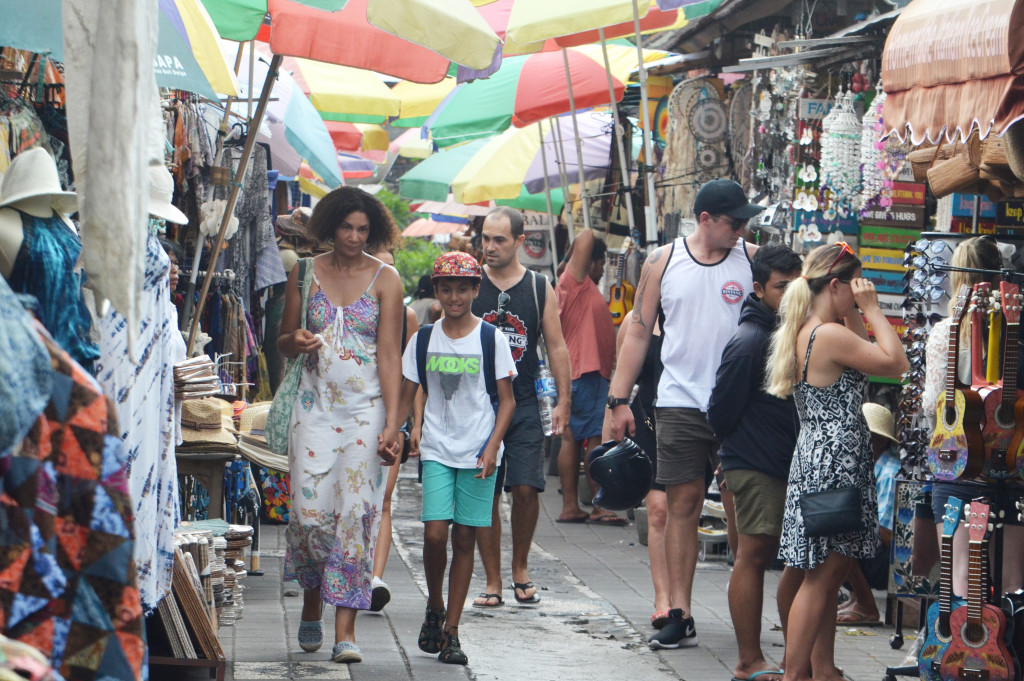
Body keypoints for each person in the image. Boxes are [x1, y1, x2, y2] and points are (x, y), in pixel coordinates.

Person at [606, 178, 762, 649]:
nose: (741, 229)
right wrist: (618, 400)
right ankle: (679, 611)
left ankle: (746, 609)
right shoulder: (663, 260)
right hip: (678, 401)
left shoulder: (753, 259)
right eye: (734, 222)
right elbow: (638, 330)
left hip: (741, 404)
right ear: (706, 219)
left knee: (740, 507)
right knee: (683, 505)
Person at [764, 242, 908, 681]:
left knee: (829, 572)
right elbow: (896, 362)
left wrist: (856, 311)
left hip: (821, 458)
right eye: (856, 283)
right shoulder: (826, 334)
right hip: (836, 464)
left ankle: (822, 669)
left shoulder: (814, 328)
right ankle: (796, 673)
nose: (862, 290)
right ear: (836, 285)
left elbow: (864, 355)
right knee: (822, 578)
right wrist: (874, 308)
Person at [277, 186, 405, 665]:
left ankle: (345, 629)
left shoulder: (387, 279)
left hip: (365, 412)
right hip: (313, 408)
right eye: (347, 228)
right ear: (331, 227)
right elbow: (283, 340)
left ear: (373, 232)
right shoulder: (305, 271)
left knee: (355, 513)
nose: (354, 237)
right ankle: (312, 596)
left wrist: (394, 423)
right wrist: (297, 339)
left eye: (363, 230)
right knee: (309, 515)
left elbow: (390, 355)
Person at [397, 251, 517, 665]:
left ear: (475, 290)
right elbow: (408, 390)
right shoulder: (423, 338)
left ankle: (451, 630)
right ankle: (435, 603)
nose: (454, 297)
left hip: (478, 453)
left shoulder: (491, 338)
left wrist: (493, 446)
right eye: (446, 289)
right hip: (436, 449)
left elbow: (507, 401)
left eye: (462, 289)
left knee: (465, 538)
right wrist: (398, 431)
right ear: (436, 290)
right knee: (434, 534)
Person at [706, 244, 802, 681]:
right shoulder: (751, 341)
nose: (791, 294)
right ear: (759, 289)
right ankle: (748, 660)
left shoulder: (779, 332)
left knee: (764, 556)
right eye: (782, 287)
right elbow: (719, 412)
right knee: (753, 555)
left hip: (773, 460)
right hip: (756, 462)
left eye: (797, 286)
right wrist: (731, 458)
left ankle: (788, 659)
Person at [471, 206, 571, 607]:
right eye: (486, 239)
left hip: (526, 400)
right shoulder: (470, 282)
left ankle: (520, 567)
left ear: (519, 242)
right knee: (486, 491)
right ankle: (493, 579)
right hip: (480, 405)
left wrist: (563, 401)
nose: (490, 247)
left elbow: (557, 346)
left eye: (499, 239)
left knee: (527, 488)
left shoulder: (538, 286)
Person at [920, 236, 1024, 596]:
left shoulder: (943, 334)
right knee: (1012, 584)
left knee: (961, 581)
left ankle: (964, 634)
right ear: (999, 277)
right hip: (1010, 465)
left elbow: (931, 405)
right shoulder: (1015, 332)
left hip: (958, 465)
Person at [367, 248, 420, 612]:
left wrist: (415, 423)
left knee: (383, 498)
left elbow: (413, 373)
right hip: (349, 411)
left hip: (393, 415)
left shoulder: (407, 316)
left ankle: (374, 578)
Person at [557, 229, 621, 525]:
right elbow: (585, 236)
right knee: (595, 438)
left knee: (572, 439)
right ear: (590, 262)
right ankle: (599, 504)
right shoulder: (575, 283)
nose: (602, 269)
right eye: (601, 262)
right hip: (586, 372)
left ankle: (571, 506)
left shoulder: (576, 286)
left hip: (580, 372)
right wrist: (569, 258)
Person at [612, 308, 671, 626]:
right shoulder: (637, 320)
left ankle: (681, 595)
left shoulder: (695, 312)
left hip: (691, 419)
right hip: (648, 420)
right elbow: (621, 380)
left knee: (685, 510)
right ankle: (663, 597)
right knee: (658, 509)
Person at [836, 402, 901, 625]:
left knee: (842, 536)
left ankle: (866, 603)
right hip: (878, 547)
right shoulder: (867, 466)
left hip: (893, 556)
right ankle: (857, 598)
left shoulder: (889, 472)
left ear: (878, 441)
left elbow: (888, 534)